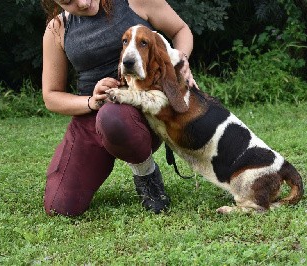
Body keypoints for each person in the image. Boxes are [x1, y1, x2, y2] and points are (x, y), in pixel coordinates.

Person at [41, 0, 196, 216]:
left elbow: (181, 30)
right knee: (59, 206)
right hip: (92, 114)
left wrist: (180, 60)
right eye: (68, 1)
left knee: (113, 116)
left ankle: (147, 175)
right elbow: (51, 96)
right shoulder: (57, 29)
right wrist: (91, 102)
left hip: (139, 109)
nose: (83, 3)